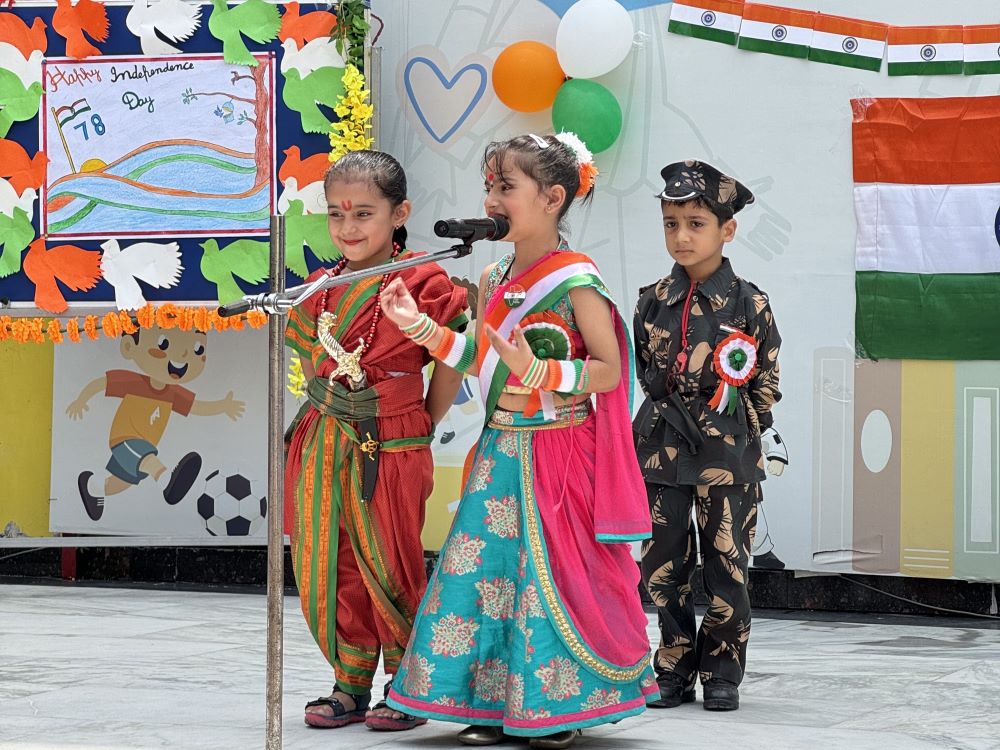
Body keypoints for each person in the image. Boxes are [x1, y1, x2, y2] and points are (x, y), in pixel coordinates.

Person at [379, 133, 655, 750]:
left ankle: (558, 704)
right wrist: (419, 327)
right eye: (489, 186)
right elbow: (480, 358)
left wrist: (542, 372)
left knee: (554, 576)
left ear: (553, 198)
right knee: (486, 577)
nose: (491, 199)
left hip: (560, 452)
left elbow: (609, 371)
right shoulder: (492, 274)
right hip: (500, 452)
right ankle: (489, 700)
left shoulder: (577, 279)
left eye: (506, 187)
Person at [283, 150, 469, 732]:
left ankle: (408, 685)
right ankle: (350, 680)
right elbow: (313, 366)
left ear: (399, 213)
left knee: (391, 561)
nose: (348, 227)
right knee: (331, 560)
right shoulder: (319, 289)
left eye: (363, 213)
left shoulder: (424, 280)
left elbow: (452, 358)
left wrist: (419, 420)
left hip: (390, 440)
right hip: (322, 440)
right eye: (337, 214)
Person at [633, 160, 781, 712]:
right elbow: (648, 374)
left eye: (696, 224)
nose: (682, 236)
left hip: (727, 455)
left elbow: (765, 382)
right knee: (662, 565)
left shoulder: (749, 303)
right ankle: (673, 665)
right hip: (660, 453)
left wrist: (736, 432)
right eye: (671, 224)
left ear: (727, 229)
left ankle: (722, 670)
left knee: (727, 564)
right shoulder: (651, 300)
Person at [68, 325, 245, 521]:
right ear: (129, 347)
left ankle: (93, 486)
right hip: (124, 440)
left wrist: (223, 406)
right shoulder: (134, 382)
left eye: (198, 349)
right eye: (163, 343)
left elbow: (197, 407)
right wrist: (81, 400)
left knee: (122, 482)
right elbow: (102, 383)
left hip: (145, 445)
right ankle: (166, 480)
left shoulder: (173, 393)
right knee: (147, 459)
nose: (183, 354)